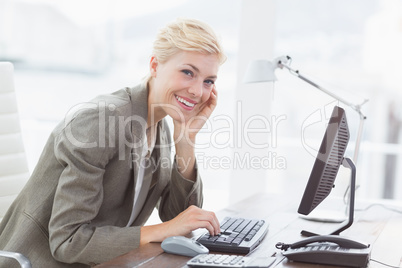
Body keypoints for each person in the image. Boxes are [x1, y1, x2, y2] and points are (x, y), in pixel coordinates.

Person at [0, 17, 226, 267]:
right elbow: (69, 242)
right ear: (154, 65)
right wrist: (163, 230)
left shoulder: (159, 126)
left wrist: (185, 139)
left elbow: (181, 221)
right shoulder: (102, 120)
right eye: (187, 72)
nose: (197, 91)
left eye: (208, 81)